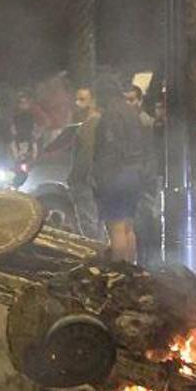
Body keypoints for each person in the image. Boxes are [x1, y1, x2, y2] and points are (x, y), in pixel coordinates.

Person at [93, 79, 150, 263]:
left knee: (115, 228)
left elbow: (110, 150)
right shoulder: (133, 114)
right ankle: (131, 270)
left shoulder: (110, 116)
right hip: (135, 174)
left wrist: (101, 178)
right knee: (128, 227)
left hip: (116, 176)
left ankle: (118, 273)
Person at [68, 86, 104, 240]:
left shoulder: (91, 123)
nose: (77, 104)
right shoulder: (91, 123)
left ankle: (97, 258)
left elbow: (86, 155)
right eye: (76, 99)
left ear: (93, 102)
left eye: (82, 100)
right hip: (94, 180)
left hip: (86, 182)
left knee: (90, 224)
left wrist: (76, 178)